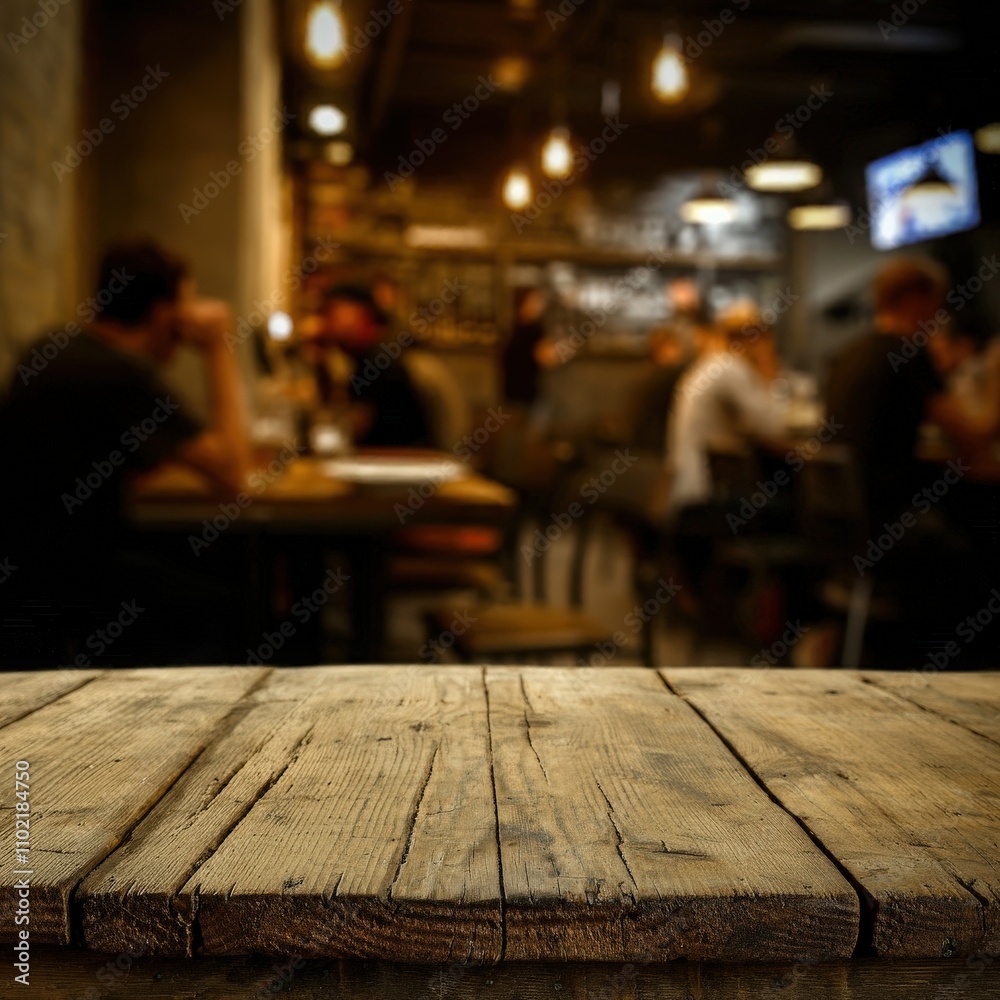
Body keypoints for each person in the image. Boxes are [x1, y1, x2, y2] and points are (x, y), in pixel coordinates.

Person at [0, 240, 253, 667]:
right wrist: (217, 348)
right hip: (61, 580)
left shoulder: (54, 347)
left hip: (26, 571)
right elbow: (233, 474)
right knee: (229, 600)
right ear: (161, 315)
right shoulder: (120, 372)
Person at [665, 303, 786, 600]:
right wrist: (769, 374)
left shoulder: (709, 365)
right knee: (794, 510)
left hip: (683, 489)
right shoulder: (732, 369)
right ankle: (785, 617)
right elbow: (774, 426)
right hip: (705, 497)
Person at [308, 283, 432, 448]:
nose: (324, 322)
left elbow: (355, 427)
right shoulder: (377, 348)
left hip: (397, 457)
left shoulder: (381, 358)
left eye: (331, 312)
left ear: (360, 312)